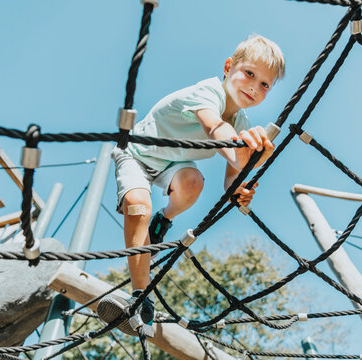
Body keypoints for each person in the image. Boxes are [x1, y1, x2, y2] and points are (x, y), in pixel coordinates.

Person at [97, 34, 285, 335]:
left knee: (193, 183)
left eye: (265, 84)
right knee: (137, 205)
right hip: (137, 152)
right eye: (250, 73)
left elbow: (232, 176)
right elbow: (214, 128)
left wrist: (242, 184)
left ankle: (164, 221)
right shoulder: (208, 92)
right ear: (228, 67)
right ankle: (139, 296)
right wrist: (245, 152)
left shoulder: (242, 122)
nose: (254, 86)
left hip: (172, 164)